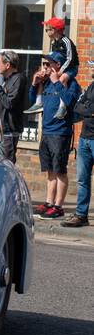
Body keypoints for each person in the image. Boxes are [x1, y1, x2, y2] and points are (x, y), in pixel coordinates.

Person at [30, 50, 81, 220]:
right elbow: (33, 103)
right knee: (50, 171)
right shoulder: (48, 83)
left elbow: (69, 103)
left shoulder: (71, 84)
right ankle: (49, 202)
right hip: (46, 132)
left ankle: (58, 206)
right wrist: (34, 84)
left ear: (58, 65)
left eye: (49, 64)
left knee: (60, 171)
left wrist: (57, 83)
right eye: (45, 64)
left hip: (60, 133)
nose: (46, 67)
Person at [62, 61, 94, 229]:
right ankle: (81, 215)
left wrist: (87, 108)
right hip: (84, 139)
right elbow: (78, 107)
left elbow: (83, 108)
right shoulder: (90, 87)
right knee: (82, 179)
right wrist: (90, 110)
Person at [26, 17, 79, 116]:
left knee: (63, 78)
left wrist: (60, 71)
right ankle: (38, 102)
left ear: (55, 29)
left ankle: (62, 107)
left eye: (48, 30)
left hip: (71, 68)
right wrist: (48, 69)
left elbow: (70, 59)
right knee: (43, 78)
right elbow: (53, 57)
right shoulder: (54, 43)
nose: (46, 32)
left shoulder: (66, 41)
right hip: (59, 67)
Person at [0, 49, 27, 163]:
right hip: (1, 131)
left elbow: (9, 103)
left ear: (7, 65)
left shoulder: (18, 79)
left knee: (6, 165)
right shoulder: (7, 80)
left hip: (9, 131)